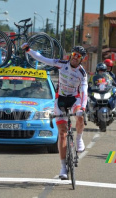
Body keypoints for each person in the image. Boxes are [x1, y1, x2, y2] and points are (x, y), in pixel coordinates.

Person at [21, 43, 87, 179]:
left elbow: (84, 92)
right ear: (71, 55)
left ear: (82, 60)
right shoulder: (61, 64)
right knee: (62, 133)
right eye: (74, 54)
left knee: (80, 115)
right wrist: (28, 50)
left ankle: (79, 139)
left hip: (75, 99)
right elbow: (42, 59)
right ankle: (63, 167)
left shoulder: (82, 73)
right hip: (60, 99)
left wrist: (83, 108)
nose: (75, 58)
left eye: (78, 56)